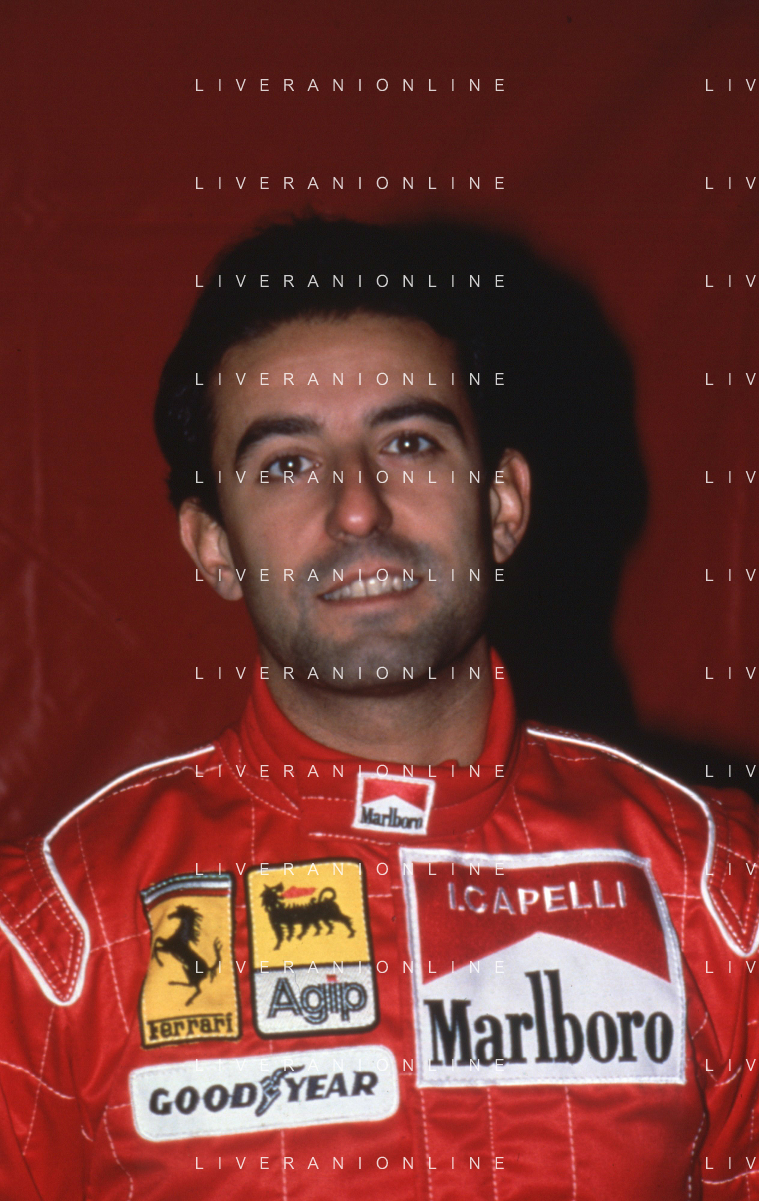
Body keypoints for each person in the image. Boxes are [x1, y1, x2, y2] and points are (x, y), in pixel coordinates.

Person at [0, 215, 755, 1200]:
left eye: (409, 442)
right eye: (286, 463)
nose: (357, 506)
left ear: (502, 507)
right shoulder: (56, 937)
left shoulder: (714, 891)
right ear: (214, 546)